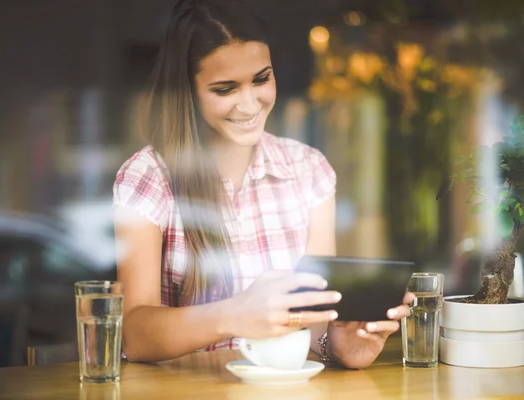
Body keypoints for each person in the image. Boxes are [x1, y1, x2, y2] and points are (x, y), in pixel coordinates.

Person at [113, 0, 412, 370]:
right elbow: (134, 334)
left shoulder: (308, 170)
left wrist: (337, 344)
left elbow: (314, 320)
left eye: (261, 79)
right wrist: (232, 315)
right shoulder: (149, 176)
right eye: (225, 89)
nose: (250, 104)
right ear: (187, 91)